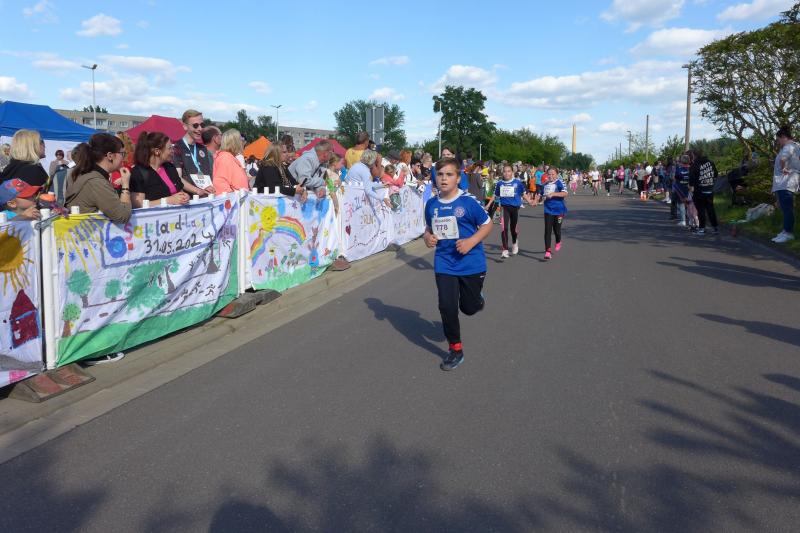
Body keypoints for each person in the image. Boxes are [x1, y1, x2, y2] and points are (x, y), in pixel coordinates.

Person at [423, 157, 492, 371]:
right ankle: (455, 349)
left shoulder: (468, 202)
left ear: (458, 178)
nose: (444, 179)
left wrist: (471, 241)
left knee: (468, 308)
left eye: (449, 174)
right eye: (440, 174)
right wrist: (427, 237)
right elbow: (428, 228)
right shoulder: (431, 204)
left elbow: (487, 224)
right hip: (444, 262)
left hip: (471, 263)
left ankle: (477, 299)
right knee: (447, 306)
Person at [64, 133, 132, 223]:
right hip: (87, 230)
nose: (123, 158)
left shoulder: (85, 172)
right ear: (110, 156)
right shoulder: (96, 182)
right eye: (122, 154)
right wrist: (125, 184)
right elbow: (123, 216)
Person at [130, 132, 189, 207]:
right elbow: (138, 204)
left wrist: (185, 196)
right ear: (157, 151)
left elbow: (180, 192)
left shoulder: (170, 167)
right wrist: (168, 200)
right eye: (169, 148)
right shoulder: (138, 172)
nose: (172, 151)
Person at [488, 163, 529, 258]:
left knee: (513, 229)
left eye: (508, 171)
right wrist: (488, 204)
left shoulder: (517, 182)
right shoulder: (499, 183)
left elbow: (523, 194)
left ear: (512, 172)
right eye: (505, 171)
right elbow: (495, 195)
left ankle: (514, 242)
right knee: (504, 228)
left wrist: (530, 201)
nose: (506, 173)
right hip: (504, 208)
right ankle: (505, 249)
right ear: (502, 173)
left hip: (514, 208)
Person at [172, 109, 215, 196]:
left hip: (207, 197)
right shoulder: (177, 148)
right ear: (185, 126)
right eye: (195, 125)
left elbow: (211, 174)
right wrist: (197, 191)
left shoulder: (203, 149)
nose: (200, 129)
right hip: (190, 200)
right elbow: (177, 178)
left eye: (202, 125)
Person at [771, 125, 800, 243]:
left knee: (787, 209)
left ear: (783, 137)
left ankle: (788, 233)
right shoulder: (795, 146)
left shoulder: (789, 146)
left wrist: (783, 168)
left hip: (786, 182)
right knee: (785, 208)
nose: (778, 142)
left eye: (778, 140)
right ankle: (785, 231)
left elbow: (783, 159)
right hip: (786, 181)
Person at [688, 150, 719, 235]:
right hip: (710, 189)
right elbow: (716, 174)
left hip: (699, 191)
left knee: (701, 210)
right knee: (710, 209)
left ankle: (702, 229)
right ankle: (715, 227)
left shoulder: (695, 165)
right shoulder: (711, 163)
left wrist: (692, 187)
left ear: (694, 156)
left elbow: (691, 180)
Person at [213, 129, 250, 194]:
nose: (243, 143)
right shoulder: (225, 158)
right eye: (241, 140)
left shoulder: (229, 157)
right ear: (235, 142)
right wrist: (232, 198)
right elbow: (220, 183)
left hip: (238, 197)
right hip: (233, 198)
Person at [542, 167, 568, 260]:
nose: (551, 176)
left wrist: (553, 194)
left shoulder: (560, 182)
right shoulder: (545, 184)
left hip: (559, 210)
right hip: (548, 210)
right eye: (549, 174)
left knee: (557, 230)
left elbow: (565, 194)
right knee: (547, 230)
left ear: (557, 174)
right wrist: (535, 201)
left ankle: (558, 241)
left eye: (553, 174)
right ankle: (547, 251)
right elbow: (541, 195)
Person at [674, 154, 691, 228]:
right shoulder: (691, 169)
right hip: (689, 188)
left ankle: (683, 220)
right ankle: (690, 220)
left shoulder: (679, 169)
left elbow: (676, 178)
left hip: (680, 189)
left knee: (681, 204)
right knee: (689, 204)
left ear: (681, 161)